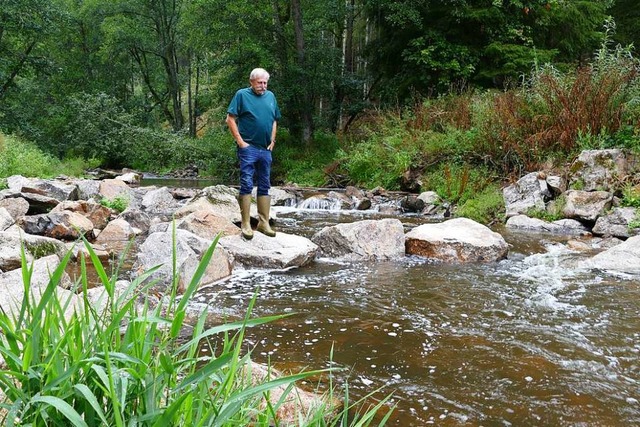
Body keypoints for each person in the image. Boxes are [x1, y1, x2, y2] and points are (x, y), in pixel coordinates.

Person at [226, 68, 281, 240]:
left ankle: (264, 223)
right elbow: (230, 119)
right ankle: (246, 224)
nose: (263, 86)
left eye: (265, 83)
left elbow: (274, 120)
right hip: (248, 148)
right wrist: (240, 142)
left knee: (265, 184)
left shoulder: (271, 96)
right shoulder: (242, 95)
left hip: (265, 149)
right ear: (252, 82)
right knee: (247, 183)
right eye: (259, 83)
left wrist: (272, 140)